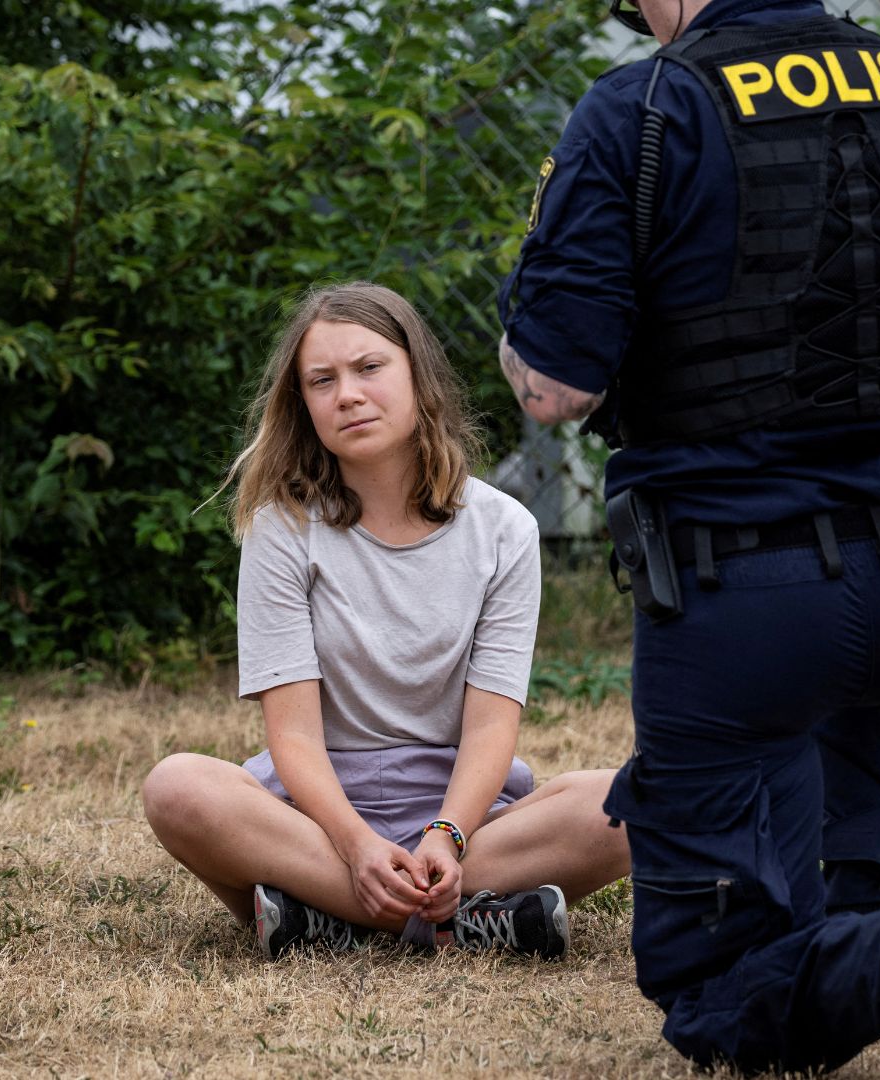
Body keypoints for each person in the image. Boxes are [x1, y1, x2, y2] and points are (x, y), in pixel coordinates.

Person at [497, 1, 880, 1076]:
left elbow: (555, 389)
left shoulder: (644, 107)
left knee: (715, 994)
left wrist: (522, 329)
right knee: (823, 909)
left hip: (744, 607)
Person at [143, 282, 630, 958]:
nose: (347, 393)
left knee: (631, 803)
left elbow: (492, 725)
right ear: (303, 404)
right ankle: (468, 921)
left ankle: (327, 920)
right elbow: (294, 737)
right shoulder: (280, 529)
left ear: (418, 377)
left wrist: (446, 836)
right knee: (177, 788)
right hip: (314, 821)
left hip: (462, 820)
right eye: (322, 380)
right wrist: (357, 845)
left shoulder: (503, 529)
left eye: (370, 368)